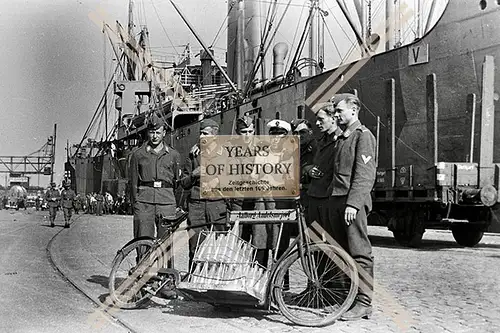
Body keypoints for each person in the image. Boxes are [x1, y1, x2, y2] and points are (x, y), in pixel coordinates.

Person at [328, 93, 376, 321]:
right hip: (338, 200)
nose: (336, 115)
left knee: (359, 253)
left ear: (354, 110)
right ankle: (346, 299)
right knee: (341, 252)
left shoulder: (362, 136)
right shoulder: (343, 137)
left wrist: (353, 204)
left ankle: (364, 302)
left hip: (351, 204)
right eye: (335, 112)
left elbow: (365, 176)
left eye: (339, 111)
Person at [129, 113, 182, 263]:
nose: (154, 136)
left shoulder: (173, 155)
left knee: (166, 242)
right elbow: (133, 182)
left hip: (166, 202)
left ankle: (164, 277)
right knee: (143, 240)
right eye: (152, 132)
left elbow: (177, 183)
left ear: (164, 133)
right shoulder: (138, 155)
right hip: (144, 202)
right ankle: (142, 276)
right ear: (147, 132)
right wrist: (136, 203)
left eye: (158, 132)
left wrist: (174, 204)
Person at [180, 118, 228, 268]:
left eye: (205, 133)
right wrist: (193, 175)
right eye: (200, 133)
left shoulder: (225, 154)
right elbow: (183, 183)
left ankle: (217, 283)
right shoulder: (193, 155)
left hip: (217, 205)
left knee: (219, 249)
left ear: (214, 135)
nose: (201, 137)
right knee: (195, 247)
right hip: (197, 206)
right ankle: (194, 280)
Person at [290, 119, 317, 223]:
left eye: (302, 132)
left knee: (313, 232)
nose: (299, 136)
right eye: (295, 133)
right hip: (299, 197)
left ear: (310, 132)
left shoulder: (316, 148)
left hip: (311, 197)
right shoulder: (294, 150)